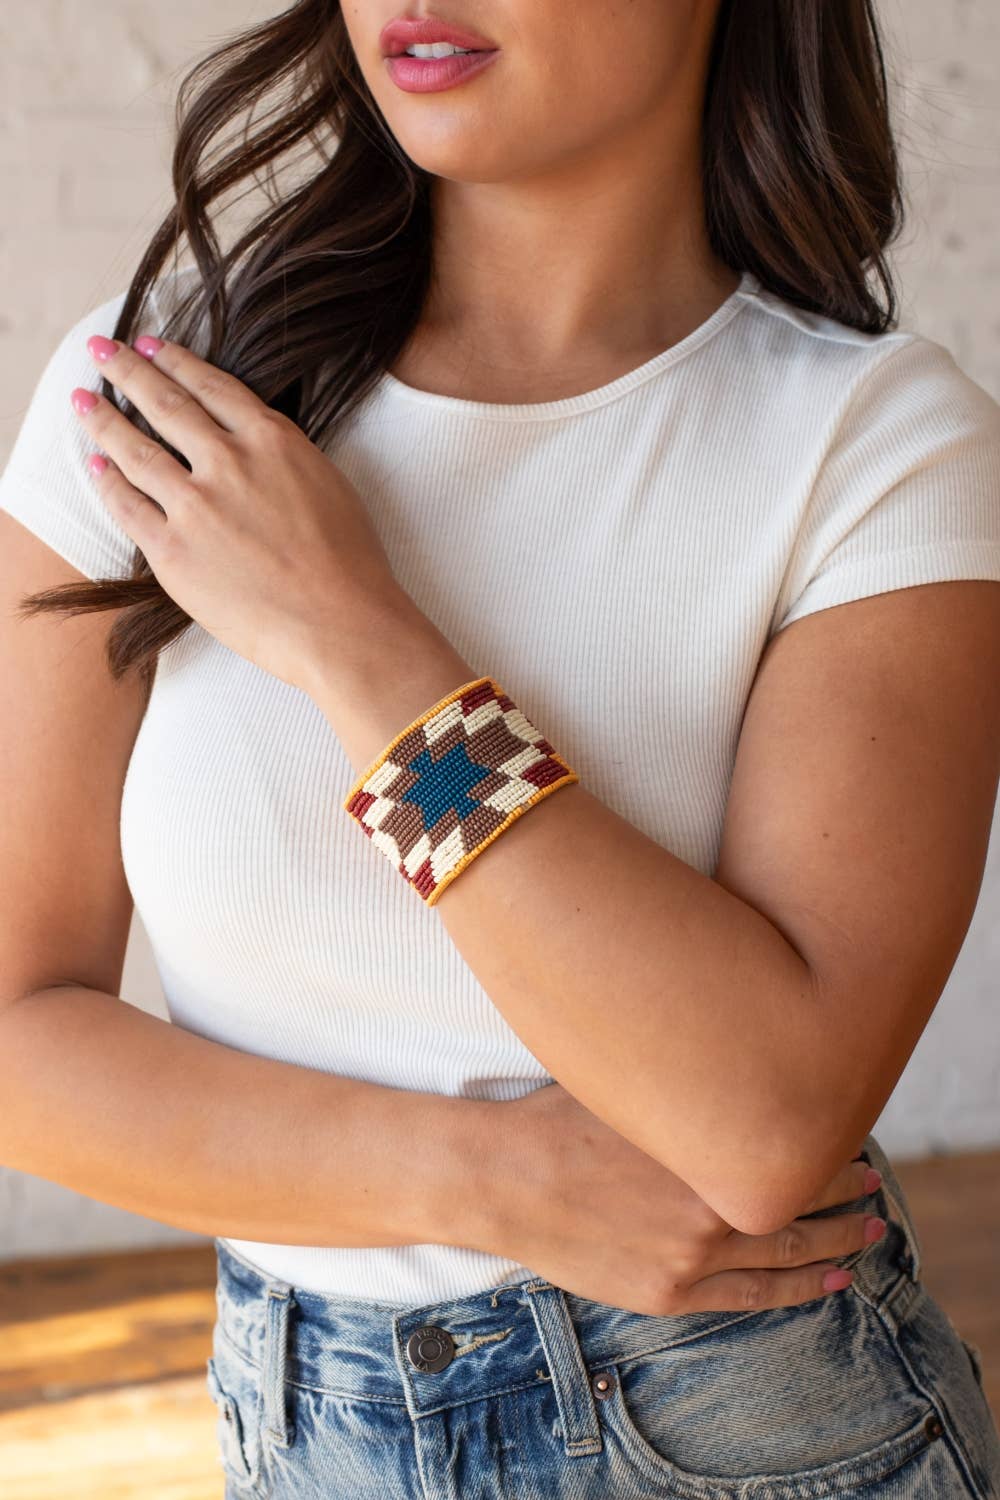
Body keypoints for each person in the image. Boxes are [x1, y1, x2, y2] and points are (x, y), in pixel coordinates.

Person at [1, 1, 999, 1495]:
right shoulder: (162, 402)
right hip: (294, 1425)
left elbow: (762, 1121)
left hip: (746, 1428)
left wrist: (357, 642)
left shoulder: (875, 444)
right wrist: (488, 1177)